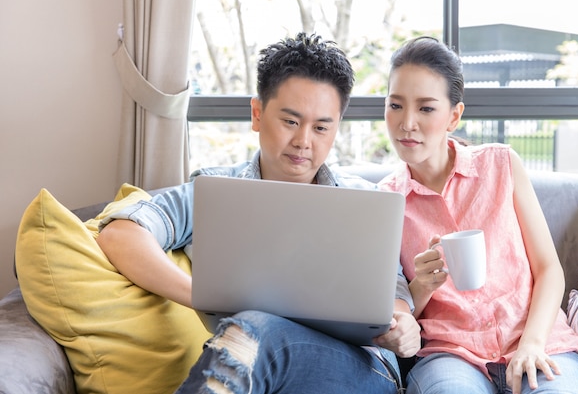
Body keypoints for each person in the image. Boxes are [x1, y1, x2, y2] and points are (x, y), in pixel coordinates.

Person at [96, 32, 421, 394]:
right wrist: (200, 295)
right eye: (290, 121)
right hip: (247, 353)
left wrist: (403, 328)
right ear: (257, 113)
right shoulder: (216, 191)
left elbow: (392, 299)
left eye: (321, 127)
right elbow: (120, 232)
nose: (303, 141)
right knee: (251, 331)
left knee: (250, 331)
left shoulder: (366, 201)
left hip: (358, 368)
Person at [378, 36, 578, 394]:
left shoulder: (502, 164)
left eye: (426, 108)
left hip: (536, 341)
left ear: (454, 115)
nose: (407, 123)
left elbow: (549, 270)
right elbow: (398, 319)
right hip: (451, 356)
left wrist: (532, 344)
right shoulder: (386, 201)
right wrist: (423, 284)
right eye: (396, 105)